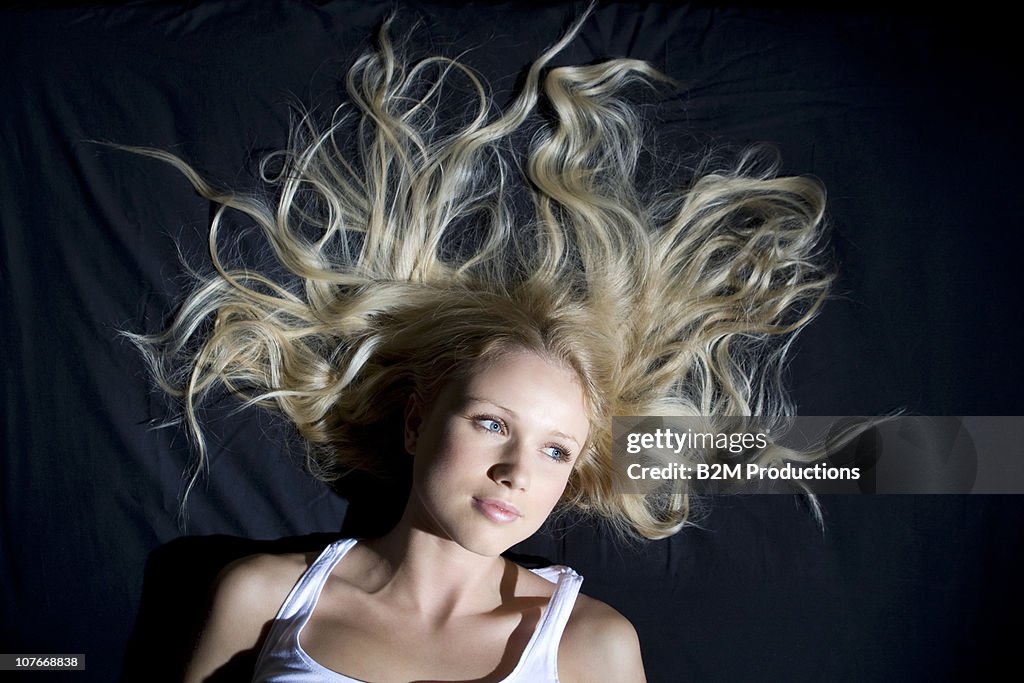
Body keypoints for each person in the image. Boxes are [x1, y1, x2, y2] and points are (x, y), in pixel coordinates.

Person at [128, 7, 832, 682]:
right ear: (415, 421)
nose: (516, 471)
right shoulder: (260, 599)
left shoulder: (592, 645)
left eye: (556, 448)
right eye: (493, 423)